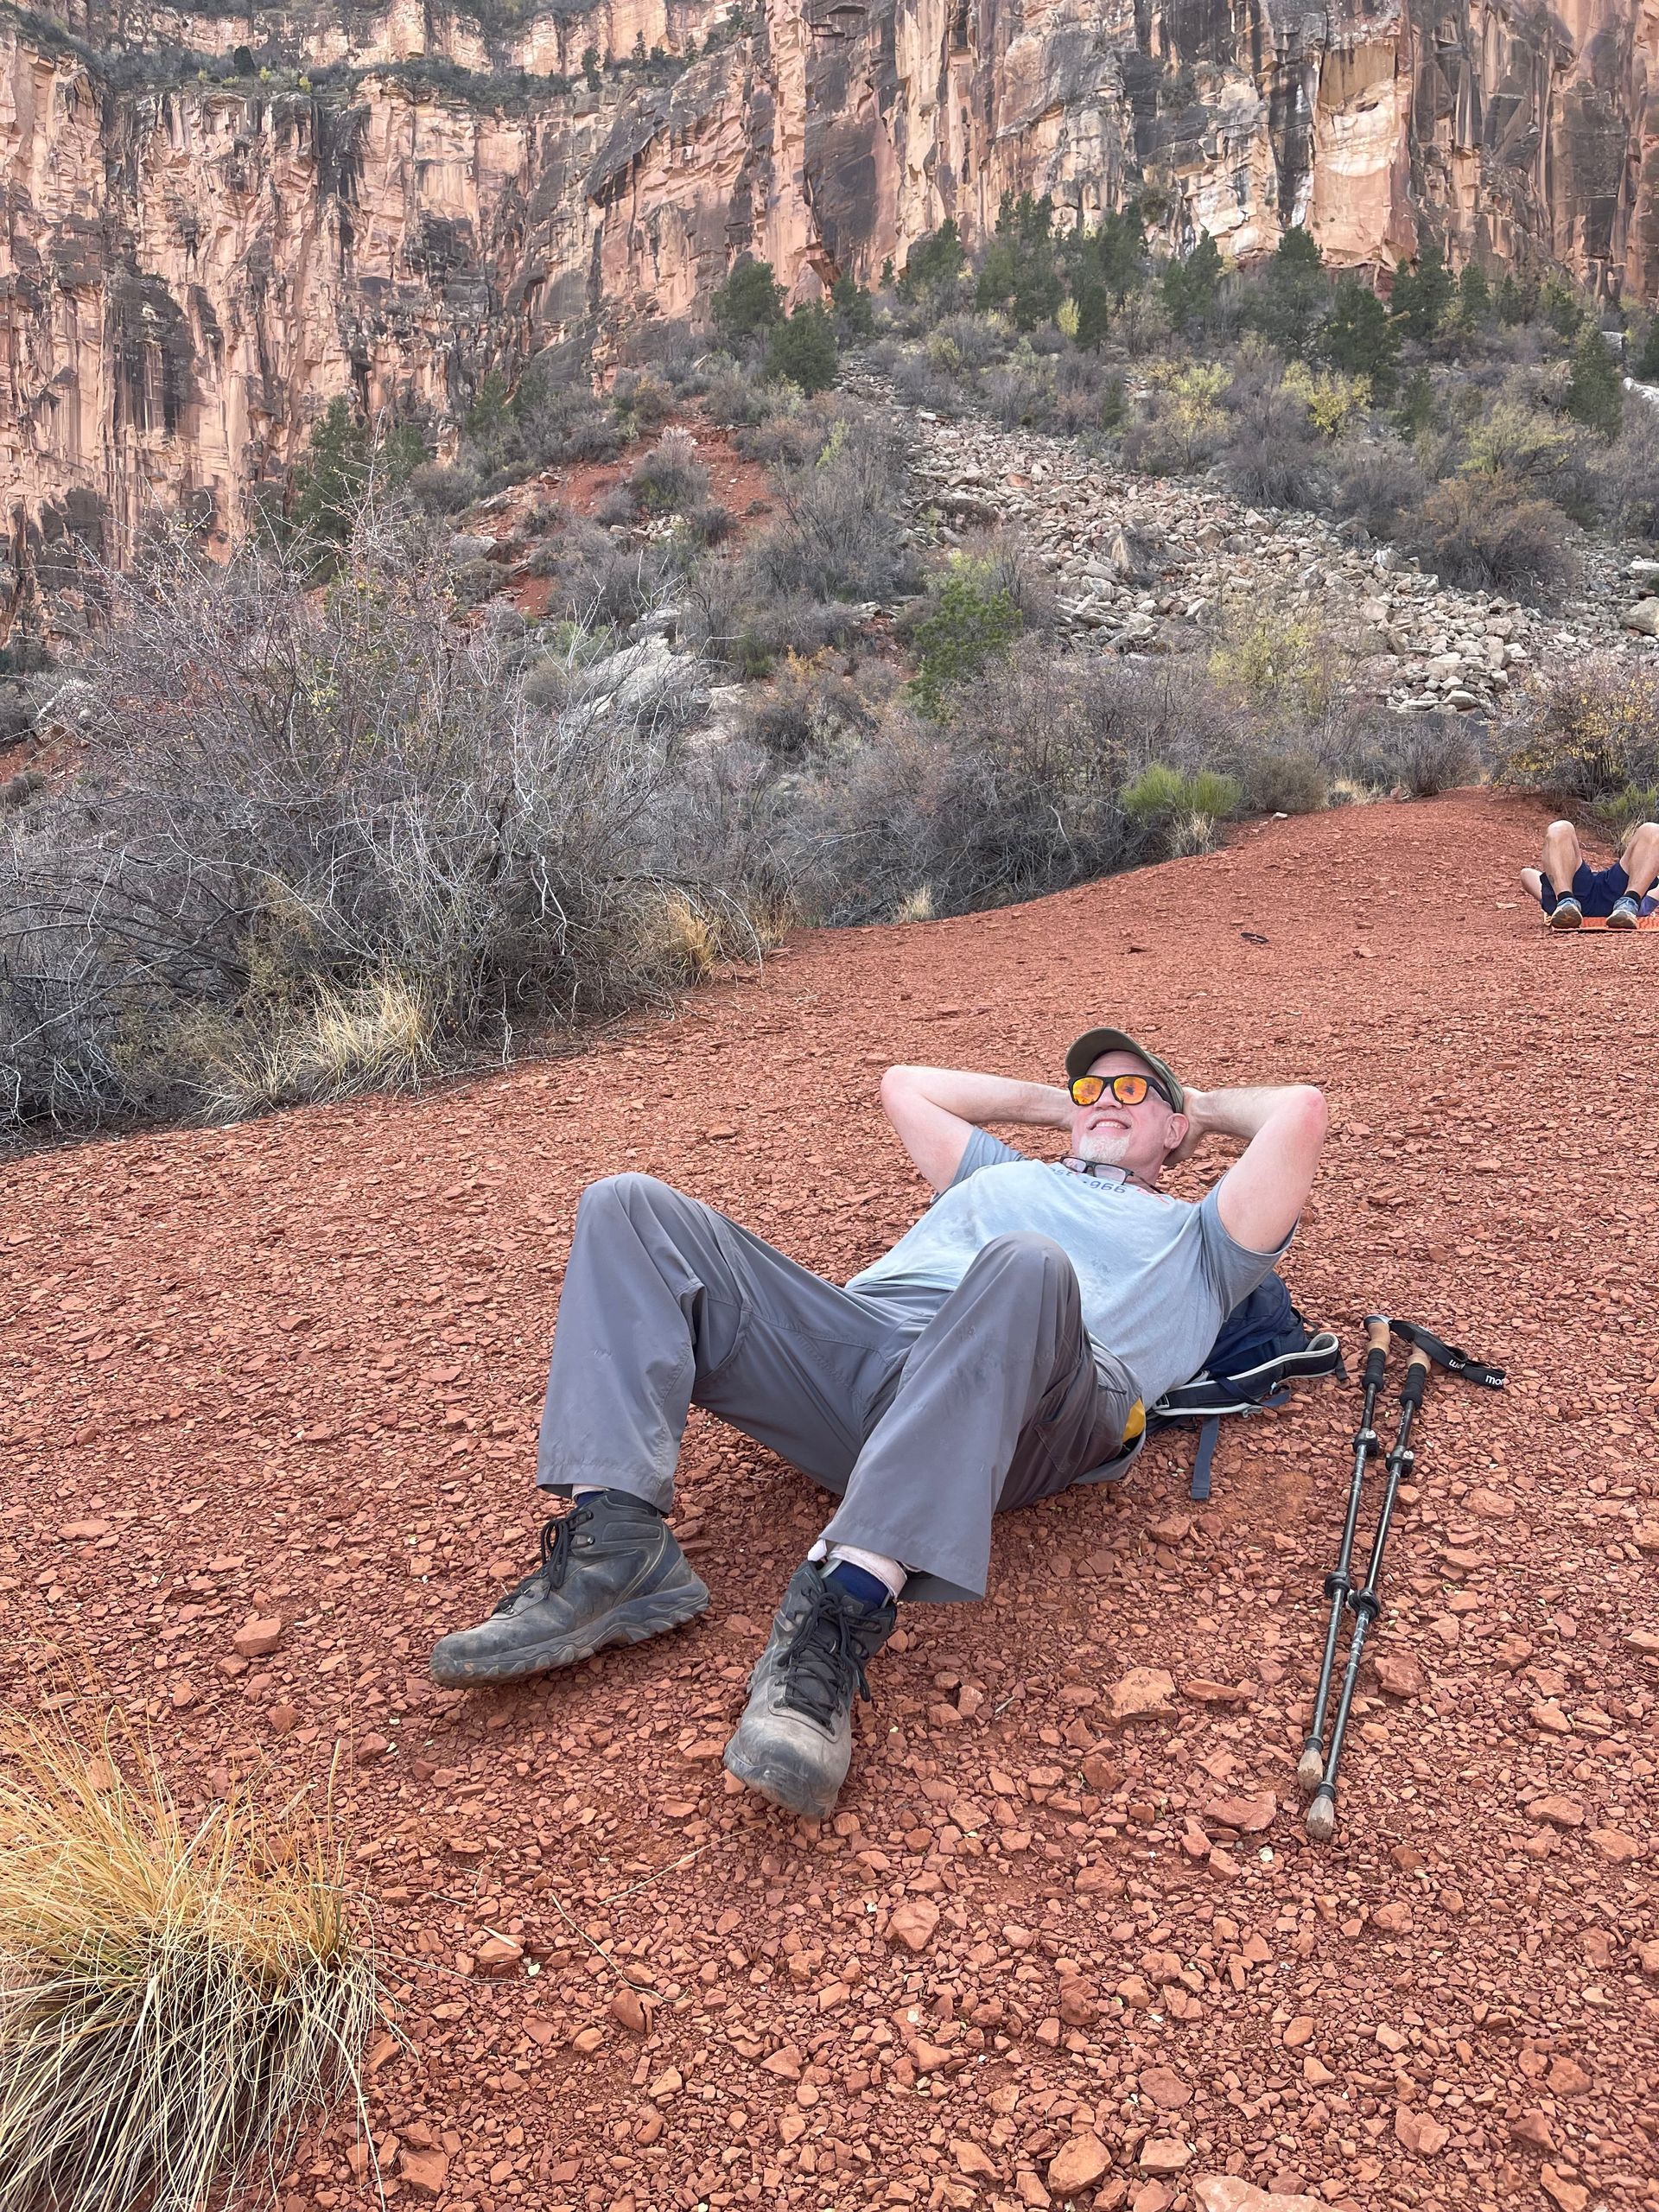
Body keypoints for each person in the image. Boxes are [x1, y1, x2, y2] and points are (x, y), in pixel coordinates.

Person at [430, 1027, 1328, 1820]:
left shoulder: (1202, 1243)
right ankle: (616, 1547)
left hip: (1035, 1397)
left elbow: (1301, 1112)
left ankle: (842, 1610)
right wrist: (1068, 1110)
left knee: (1023, 1266)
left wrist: (1196, 1105)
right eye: (1092, 1086)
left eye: (1133, 1089)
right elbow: (905, 1083)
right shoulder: (998, 1175)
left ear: (1177, 1130)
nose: (1105, 1099)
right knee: (628, 1206)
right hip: (866, 1356)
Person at [1521, 817, 1659, 929]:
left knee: (1560, 828)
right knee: (1652, 830)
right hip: (1622, 894)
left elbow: (1527, 874)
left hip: (1574, 893)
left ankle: (1564, 899)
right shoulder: (1647, 899)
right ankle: (1630, 902)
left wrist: (1553, 891)